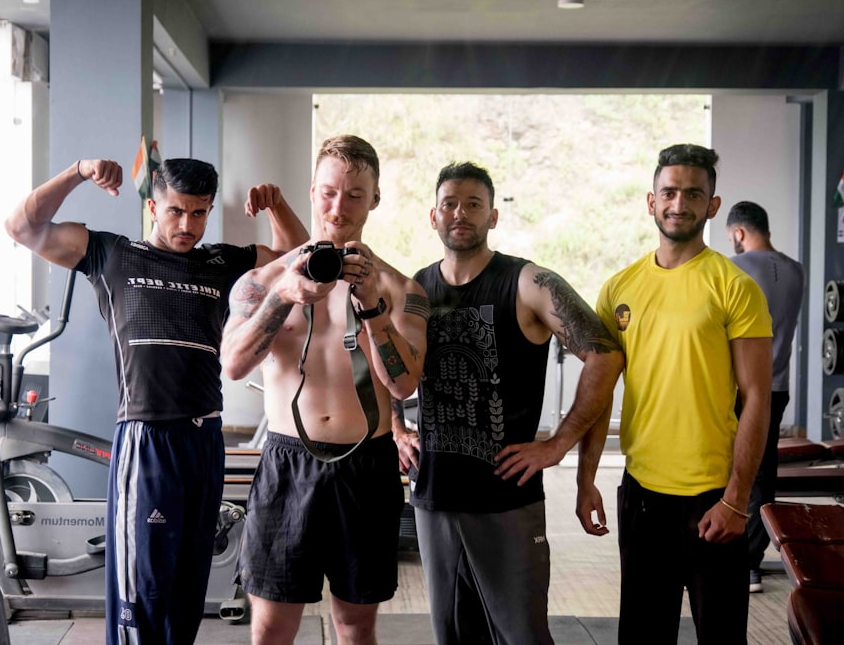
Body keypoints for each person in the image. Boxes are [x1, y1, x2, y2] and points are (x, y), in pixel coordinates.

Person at [4, 157, 308, 645]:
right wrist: (78, 172)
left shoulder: (224, 263)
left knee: (189, 585)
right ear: (152, 206)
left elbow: (304, 262)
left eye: (199, 213)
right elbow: (22, 225)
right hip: (146, 438)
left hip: (204, 438)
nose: (187, 225)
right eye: (175, 212)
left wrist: (276, 204)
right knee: (142, 590)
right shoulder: (111, 255)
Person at [390, 161, 624, 645]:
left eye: (474, 204)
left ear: (493, 216)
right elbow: (383, 359)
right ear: (432, 216)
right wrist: (396, 427)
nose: (460, 213)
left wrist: (558, 444)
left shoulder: (528, 283)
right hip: (435, 493)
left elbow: (605, 355)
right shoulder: (415, 287)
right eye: (450, 203)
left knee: (522, 636)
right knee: (452, 635)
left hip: (506, 496)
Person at [221, 135, 428, 645]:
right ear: (312, 192)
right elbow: (232, 364)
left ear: (375, 199)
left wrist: (375, 311)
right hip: (289, 464)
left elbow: (404, 383)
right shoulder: (263, 280)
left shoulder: (402, 290)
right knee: (270, 627)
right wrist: (283, 297)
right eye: (331, 192)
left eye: (356, 194)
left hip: (368, 466)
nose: (340, 206)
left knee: (355, 627)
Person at [579, 144, 773, 645]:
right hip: (642, 496)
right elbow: (600, 395)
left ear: (712, 205)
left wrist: (736, 499)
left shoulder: (734, 287)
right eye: (669, 191)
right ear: (651, 200)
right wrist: (584, 479)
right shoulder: (619, 288)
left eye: (693, 193)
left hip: (713, 498)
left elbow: (756, 397)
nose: (678, 202)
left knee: (722, 637)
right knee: (642, 635)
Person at [726, 200, 805, 593]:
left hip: (740, 387)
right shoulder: (795, 270)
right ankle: (751, 565)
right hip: (779, 386)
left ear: (739, 233)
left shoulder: (733, 267)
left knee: (731, 470)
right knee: (762, 472)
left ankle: (731, 560)